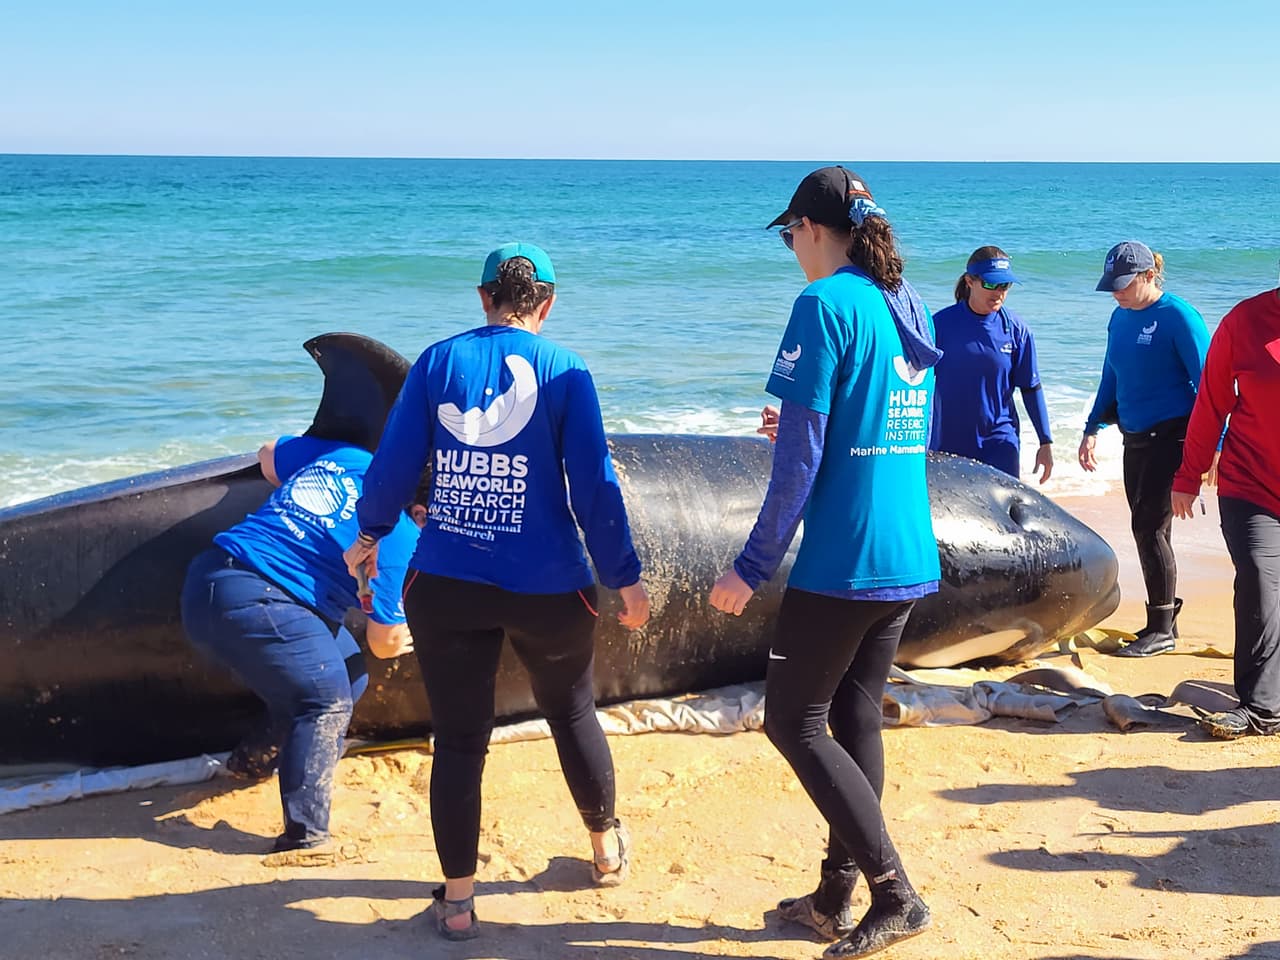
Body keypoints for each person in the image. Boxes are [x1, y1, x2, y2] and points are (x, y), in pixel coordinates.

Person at [344, 243, 650, 941]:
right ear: (547, 302)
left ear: (483, 298)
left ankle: (457, 903)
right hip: (550, 586)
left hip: (446, 584)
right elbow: (595, 487)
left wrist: (369, 534)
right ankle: (604, 851)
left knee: (457, 742)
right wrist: (624, 578)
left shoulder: (437, 361)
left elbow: (392, 469)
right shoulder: (567, 370)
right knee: (571, 712)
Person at [710, 167, 937, 959]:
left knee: (794, 720)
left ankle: (895, 894)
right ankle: (836, 893)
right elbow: (892, 425)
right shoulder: (902, 303)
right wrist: (811, 429)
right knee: (853, 716)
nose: (790, 251)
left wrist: (750, 564)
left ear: (809, 228)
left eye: (788, 235)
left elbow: (799, 464)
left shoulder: (822, 303)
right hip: (908, 546)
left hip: (844, 559)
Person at [180, 434, 422, 859]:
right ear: (418, 510)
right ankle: (304, 836)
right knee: (326, 699)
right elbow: (383, 644)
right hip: (259, 600)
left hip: (210, 580)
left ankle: (250, 763)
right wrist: (412, 632)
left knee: (347, 674)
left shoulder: (350, 457)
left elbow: (268, 456)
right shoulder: (401, 539)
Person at [1079, 241, 1209, 657]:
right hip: (1134, 438)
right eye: (1111, 284)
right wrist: (1092, 426)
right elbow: (1111, 376)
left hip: (1173, 437)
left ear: (1149, 276)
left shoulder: (1178, 317)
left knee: (1148, 528)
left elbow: (1209, 385)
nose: (1116, 292)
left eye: (1123, 284)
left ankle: (1162, 629)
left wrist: (1217, 448)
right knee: (1150, 527)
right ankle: (1164, 619)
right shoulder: (1120, 318)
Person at [1172, 283, 1280, 738]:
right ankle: (1260, 709)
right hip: (1251, 482)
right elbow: (1212, 403)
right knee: (1259, 578)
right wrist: (1188, 475)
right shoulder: (1246, 320)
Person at [930, 246, 1053, 482]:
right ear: (969, 281)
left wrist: (1045, 441)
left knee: (1002, 515)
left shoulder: (1017, 330)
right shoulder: (940, 325)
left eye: (1004, 286)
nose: (998, 293)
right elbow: (914, 381)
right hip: (949, 441)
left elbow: (1031, 387)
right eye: (990, 284)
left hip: (1000, 441)